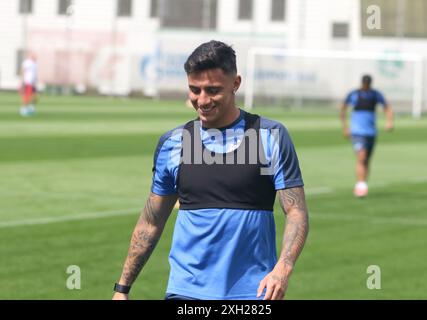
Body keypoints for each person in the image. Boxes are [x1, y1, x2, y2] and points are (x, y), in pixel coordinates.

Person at [113, 40, 309, 300]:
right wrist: (122, 288)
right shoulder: (174, 143)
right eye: (194, 90)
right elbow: (151, 221)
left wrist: (283, 267)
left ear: (235, 84)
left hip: (252, 292)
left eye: (212, 90)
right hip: (186, 292)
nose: (202, 100)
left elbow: (295, 211)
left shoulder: (269, 136)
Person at [340, 74, 394, 198]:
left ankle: (363, 183)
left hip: (371, 132)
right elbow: (343, 109)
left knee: (366, 160)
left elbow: (387, 107)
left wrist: (389, 122)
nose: (366, 85)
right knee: (362, 157)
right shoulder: (354, 94)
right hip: (357, 132)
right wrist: (346, 127)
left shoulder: (375, 94)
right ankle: (360, 184)